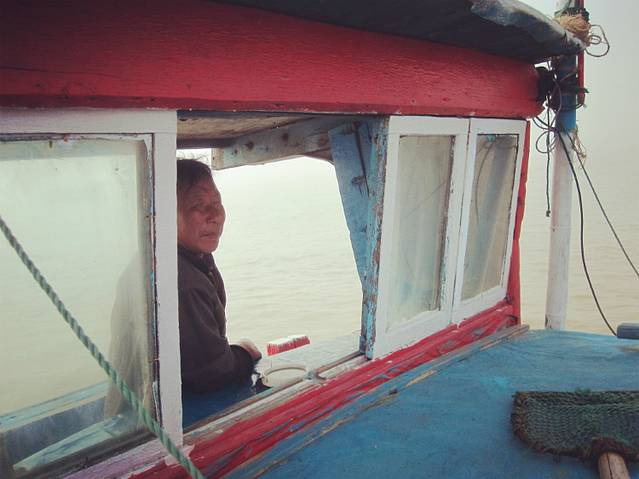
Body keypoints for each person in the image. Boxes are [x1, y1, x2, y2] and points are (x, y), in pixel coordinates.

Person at [176, 159, 261, 394]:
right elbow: (212, 372)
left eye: (216, 203)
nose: (215, 215)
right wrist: (245, 352)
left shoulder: (196, 258)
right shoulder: (181, 281)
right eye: (199, 205)